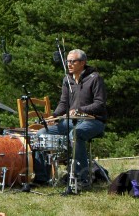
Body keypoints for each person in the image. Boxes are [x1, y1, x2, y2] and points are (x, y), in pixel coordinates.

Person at [34, 49, 107, 186]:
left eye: (73, 61)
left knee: (75, 134)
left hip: (94, 121)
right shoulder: (67, 80)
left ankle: (81, 178)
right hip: (70, 121)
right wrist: (54, 116)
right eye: (68, 61)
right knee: (41, 134)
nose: (69, 64)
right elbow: (63, 103)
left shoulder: (95, 78)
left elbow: (100, 104)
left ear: (83, 63)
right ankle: (42, 178)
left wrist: (80, 110)